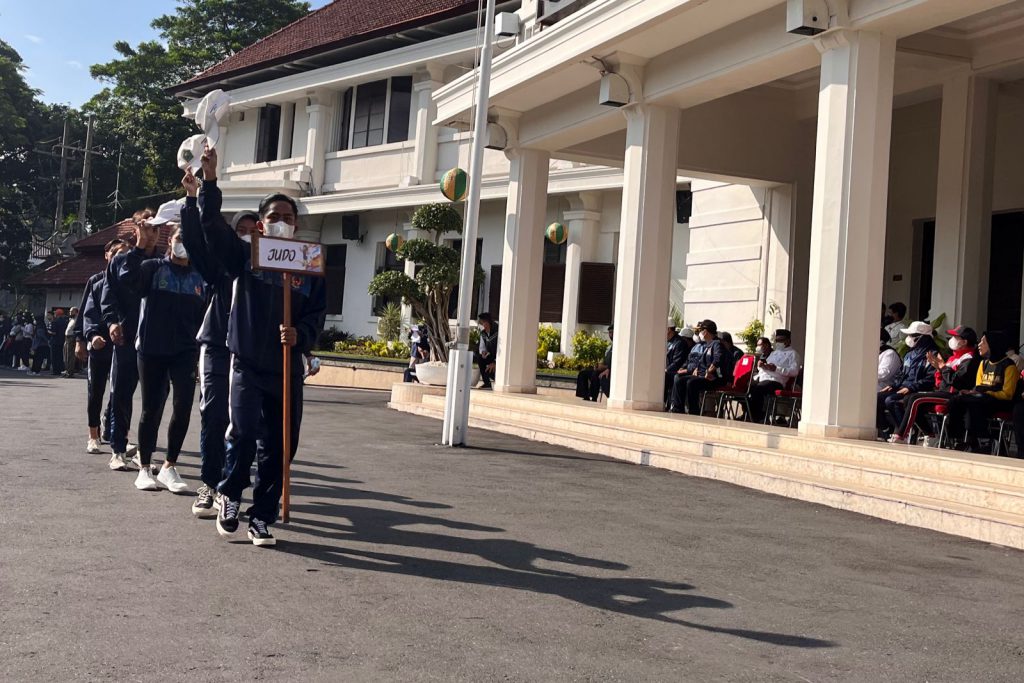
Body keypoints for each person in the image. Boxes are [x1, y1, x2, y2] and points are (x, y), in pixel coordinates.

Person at [195, 149, 326, 546]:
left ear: (296, 223)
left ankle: (262, 515)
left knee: (282, 444)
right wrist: (210, 182)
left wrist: (301, 335)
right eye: (273, 216)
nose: (281, 222)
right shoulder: (245, 255)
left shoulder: (309, 262)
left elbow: (316, 313)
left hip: (286, 367)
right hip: (247, 364)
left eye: (288, 217)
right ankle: (230, 495)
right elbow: (212, 229)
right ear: (262, 223)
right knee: (244, 432)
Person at [180, 168, 259, 517]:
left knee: (244, 423)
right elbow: (196, 241)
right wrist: (191, 199)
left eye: (252, 231)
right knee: (213, 414)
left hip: (252, 350)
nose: (247, 236)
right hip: (216, 345)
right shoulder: (220, 266)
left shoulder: (269, 270)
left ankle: (231, 488)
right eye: (240, 230)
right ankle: (209, 484)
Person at [116, 215, 206, 493]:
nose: (183, 244)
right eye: (180, 239)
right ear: (170, 242)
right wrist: (140, 245)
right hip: (152, 349)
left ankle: (169, 466)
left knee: (183, 406)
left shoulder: (200, 277)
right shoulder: (153, 267)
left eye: (189, 241)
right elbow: (127, 278)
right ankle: (144, 468)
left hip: (185, 351)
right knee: (152, 408)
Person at [101, 210, 154, 469]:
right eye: (145, 227)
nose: (150, 232)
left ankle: (146, 452)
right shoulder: (120, 260)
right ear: (135, 230)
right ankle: (118, 448)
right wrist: (112, 321)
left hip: (156, 338)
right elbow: (108, 295)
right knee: (121, 393)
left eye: (155, 227)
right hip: (126, 335)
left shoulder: (164, 261)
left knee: (155, 399)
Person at [888, 326, 980, 445]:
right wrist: (938, 369)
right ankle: (930, 435)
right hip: (943, 391)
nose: (951, 339)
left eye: (955, 337)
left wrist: (942, 367)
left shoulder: (969, 358)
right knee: (908, 399)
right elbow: (941, 381)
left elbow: (957, 381)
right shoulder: (953, 357)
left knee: (915, 399)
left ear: (964, 342)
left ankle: (901, 435)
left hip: (955, 395)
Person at [79, 239, 128, 454]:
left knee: (120, 392)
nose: (120, 258)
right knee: (96, 391)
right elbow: (87, 313)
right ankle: (93, 434)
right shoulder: (97, 282)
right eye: (116, 253)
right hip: (100, 344)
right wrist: (87, 337)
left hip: (124, 345)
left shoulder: (134, 282)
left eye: (125, 254)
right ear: (108, 256)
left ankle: (115, 431)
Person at [944, 331, 1018, 453]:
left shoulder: (1009, 366)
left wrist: (986, 393)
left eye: (983, 342)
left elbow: (1008, 394)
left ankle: (985, 440)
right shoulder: (983, 363)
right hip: (982, 398)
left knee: (973, 404)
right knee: (956, 400)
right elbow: (978, 387)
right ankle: (958, 439)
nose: (979, 345)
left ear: (993, 345)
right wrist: (971, 392)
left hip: (1000, 401)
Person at [877, 321, 938, 438]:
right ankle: (888, 430)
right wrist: (894, 385)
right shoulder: (910, 353)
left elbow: (930, 379)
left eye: (912, 335)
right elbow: (902, 373)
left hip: (917, 390)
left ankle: (906, 432)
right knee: (878, 398)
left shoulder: (932, 355)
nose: (909, 338)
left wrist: (911, 388)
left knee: (891, 400)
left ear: (922, 337)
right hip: (903, 387)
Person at [669, 319, 724, 415]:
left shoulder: (716, 344)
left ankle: (693, 411)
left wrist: (709, 371)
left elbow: (718, 359)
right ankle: (677, 409)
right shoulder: (708, 344)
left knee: (691, 382)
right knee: (679, 378)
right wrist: (695, 369)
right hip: (702, 375)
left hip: (713, 378)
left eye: (700, 330)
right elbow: (701, 361)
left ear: (705, 331)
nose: (699, 333)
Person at [747, 329, 801, 423]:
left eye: (781, 340)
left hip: (776, 381)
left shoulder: (793, 354)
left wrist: (776, 369)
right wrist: (762, 366)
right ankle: (749, 415)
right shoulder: (773, 353)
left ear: (788, 341)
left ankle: (758, 418)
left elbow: (794, 371)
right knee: (748, 388)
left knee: (760, 389)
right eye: (777, 340)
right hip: (763, 377)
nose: (778, 343)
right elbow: (765, 367)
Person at [576, 326, 613, 401]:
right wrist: (598, 365)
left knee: (595, 374)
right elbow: (604, 360)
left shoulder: (619, 347)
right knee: (583, 373)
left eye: (612, 333)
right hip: (603, 369)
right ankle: (585, 395)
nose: (610, 335)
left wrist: (606, 368)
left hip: (609, 371)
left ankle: (593, 397)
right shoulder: (609, 347)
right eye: (609, 333)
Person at [664, 319, 689, 408]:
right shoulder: (666, 341)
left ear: (668, 329)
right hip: (667, 370)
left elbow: (677, 362)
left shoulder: (679, 343)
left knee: (663, 377)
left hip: (674, 372)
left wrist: (666, 370)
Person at [476, 312, 498, 389]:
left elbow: (503, 351)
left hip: (499, 360)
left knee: (492, 371)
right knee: (480, 359)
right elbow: (482, 347)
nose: (481, 325)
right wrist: (483, 352)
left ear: (487, 322)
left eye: (482, 323)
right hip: (491, 357)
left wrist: (495, 363)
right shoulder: (483, 333)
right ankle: (487, 383)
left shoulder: (498, 331)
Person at [46, 308, 69, 376]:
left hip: (54, 341)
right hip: (62, 341)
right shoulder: (65, 322)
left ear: (57, 314)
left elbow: (54, 332)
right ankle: (60, 368)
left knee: (54, 357)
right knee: (60, 356)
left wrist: (48, 331)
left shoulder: (55, 322)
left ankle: (55, 371)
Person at [63, 307, 79, 377]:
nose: (70, 313)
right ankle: (67, 370)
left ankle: (70, 372)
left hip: (72, 337)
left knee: (70, 356)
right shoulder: (71, 319)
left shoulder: (77, 319)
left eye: (72, 311)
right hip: (67, 337)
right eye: (70, 311)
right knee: (66, 355)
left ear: (76, 312)